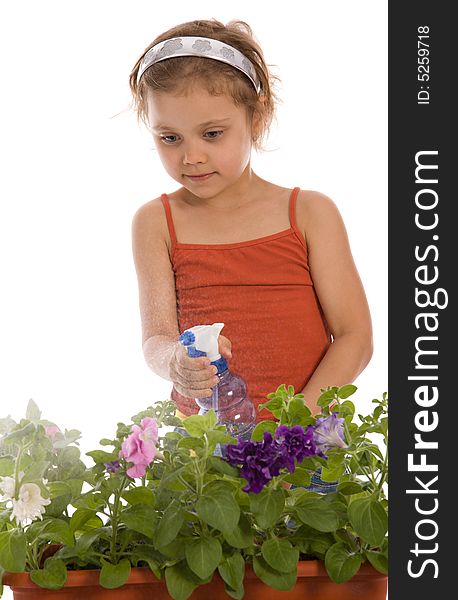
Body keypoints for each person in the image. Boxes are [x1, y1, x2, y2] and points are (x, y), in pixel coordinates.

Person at [129, 18, 373, 421]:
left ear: (256, 119)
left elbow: (354, 337)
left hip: (306, 448)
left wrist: (295, 428)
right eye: (170, 138)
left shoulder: (310, 213)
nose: (191, 157)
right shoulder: (155, 222)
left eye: (212, 133)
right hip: (208, 456)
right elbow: (156, 338)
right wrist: (173, 361)